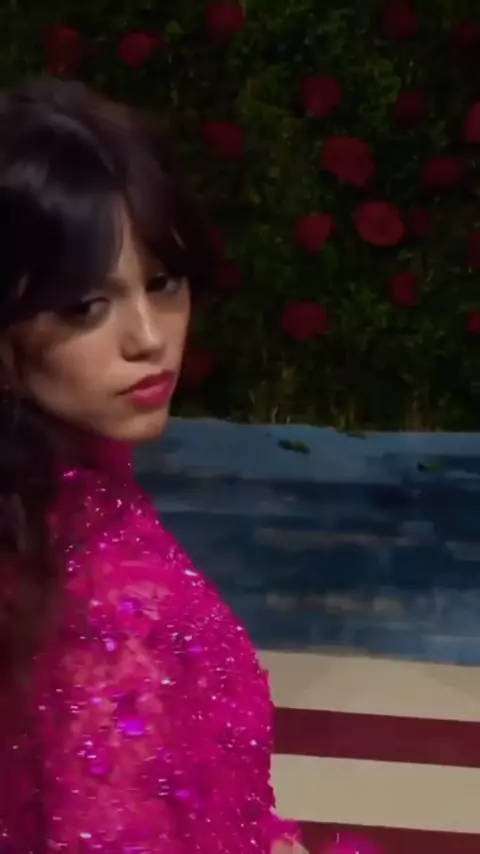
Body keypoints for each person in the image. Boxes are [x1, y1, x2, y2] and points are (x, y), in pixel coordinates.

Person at [0, 77, 300, 853]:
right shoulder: (112, 605)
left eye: (163, 283)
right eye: (86, 307)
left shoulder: (58, 508)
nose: (149, 337)